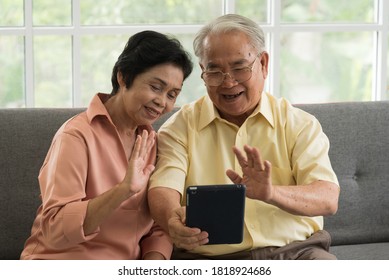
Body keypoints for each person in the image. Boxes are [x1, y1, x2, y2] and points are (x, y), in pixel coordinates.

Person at [148, 14, 340, 260]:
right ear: (202, 72)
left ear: (264, 64)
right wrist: (171, 220)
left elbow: (327, 198)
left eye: (239, 68)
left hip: (296, 253)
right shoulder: (180, 127)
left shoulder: (300, 124)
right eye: (215, 71)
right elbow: (163, 188)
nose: (228, 83)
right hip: (209, 259)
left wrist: (272, 193)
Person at [20, 30, 193, 260]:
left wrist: (154, 264)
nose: (162, 102)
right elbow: (54, 230)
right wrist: (123, 190)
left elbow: (159, 227)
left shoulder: (154, 143)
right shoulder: (75, 136)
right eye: (155, 87)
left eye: (172, 94)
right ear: (123, 77)